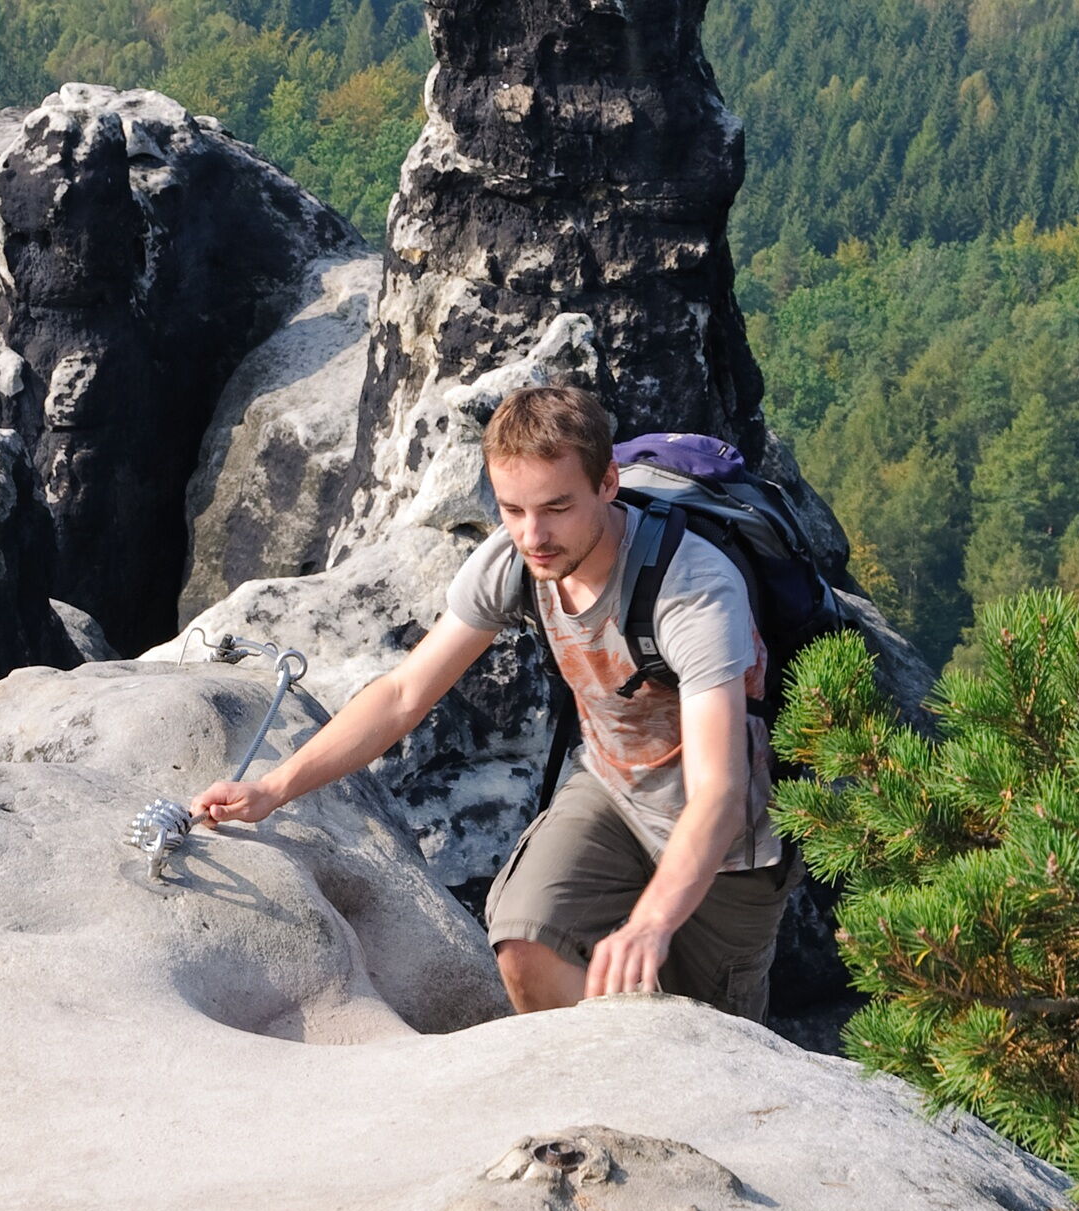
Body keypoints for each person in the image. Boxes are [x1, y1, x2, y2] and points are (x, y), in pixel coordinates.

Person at [187, 383, 787, 1016]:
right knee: (525, 944)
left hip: (729, 846)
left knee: (712, 1029)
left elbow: (719, 791)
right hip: (613, 791)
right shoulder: (516, 561)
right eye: (512, 509)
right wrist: (273, 788)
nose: (534, 535)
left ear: (608, 483)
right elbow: (402, 694)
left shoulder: (692, 593)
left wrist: (652, 921)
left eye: (557, 507)